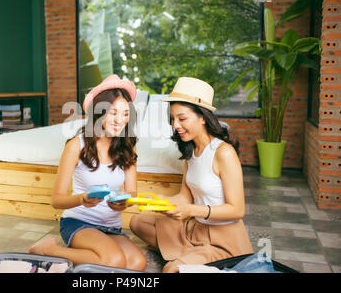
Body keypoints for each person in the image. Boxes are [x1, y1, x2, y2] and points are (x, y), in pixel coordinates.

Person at [130, 77, 253, 273]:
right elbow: (184, 197)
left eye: (182, 118)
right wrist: (160, 201)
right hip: (195, 230)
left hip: (223, 240)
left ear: (203, 117)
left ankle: (181, 258)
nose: (175, 125)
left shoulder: (224, 153)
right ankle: (188, 255)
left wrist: (192, 211)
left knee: (171, 270)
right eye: (172, 119)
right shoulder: (191, 152)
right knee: (137, 222)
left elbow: (237, 210)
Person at [27, 74, 147, 271]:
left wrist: (123, 202)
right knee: (113, 261)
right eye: (113, 113)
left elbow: (132, 192)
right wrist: (82, 199)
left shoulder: (128, 147)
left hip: (111, 227)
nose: (120, 120)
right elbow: (57, 200)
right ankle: (49, 250)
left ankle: (89, 256)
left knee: (137, 263)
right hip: (79, 221)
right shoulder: (76, 146)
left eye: (125, 114)